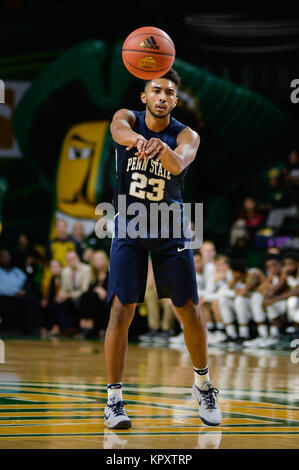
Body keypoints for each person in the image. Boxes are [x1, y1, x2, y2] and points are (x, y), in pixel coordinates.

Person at [104, 69, 221, 429]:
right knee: (122, 310)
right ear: (144, 96)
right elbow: (117, 130)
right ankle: (114, 401)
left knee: (188, 308)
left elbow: (180, 161)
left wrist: (164, 149)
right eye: (156, 90)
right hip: (130, 224)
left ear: (175, 100)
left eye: (169, 92)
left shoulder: (186, 134)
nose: (162, 97)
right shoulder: (127, 117)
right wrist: (139, 139)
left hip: (171, 227)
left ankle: (202, 384)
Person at [0, 249, 40, 334]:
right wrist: (11, 292)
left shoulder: (17, 271)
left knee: (31, 300)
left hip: (17, 297)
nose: (5, 258)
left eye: (7, 256)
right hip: (2, 298)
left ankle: (29, 330)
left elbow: (26, 284)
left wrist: (23, 291)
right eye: (3, 256)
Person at [52, 250, 91, 335]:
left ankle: (81, 329)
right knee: (57, 301)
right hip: (71, 299)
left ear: (78, 258)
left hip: (82, 298)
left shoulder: (87, 269)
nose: (71, 262)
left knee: (86, 298)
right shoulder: (65, 271)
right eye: (69, 260)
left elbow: (85, 290)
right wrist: (61, 295)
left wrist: (69, 295)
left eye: (73, 259)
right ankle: (68, 328)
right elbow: (63, 289)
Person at [79, 250, 109, 337]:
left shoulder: (110, 274)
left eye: (100, 259)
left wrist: (102, 291)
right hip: (95, 303)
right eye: (96, 259)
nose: (98, 262)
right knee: (86, 295)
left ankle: (88, 325)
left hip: (106, 302)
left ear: (105, 260)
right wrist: (98, 289)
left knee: (92, 295)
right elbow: (87, 289)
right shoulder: (92, 275)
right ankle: (85, 322)